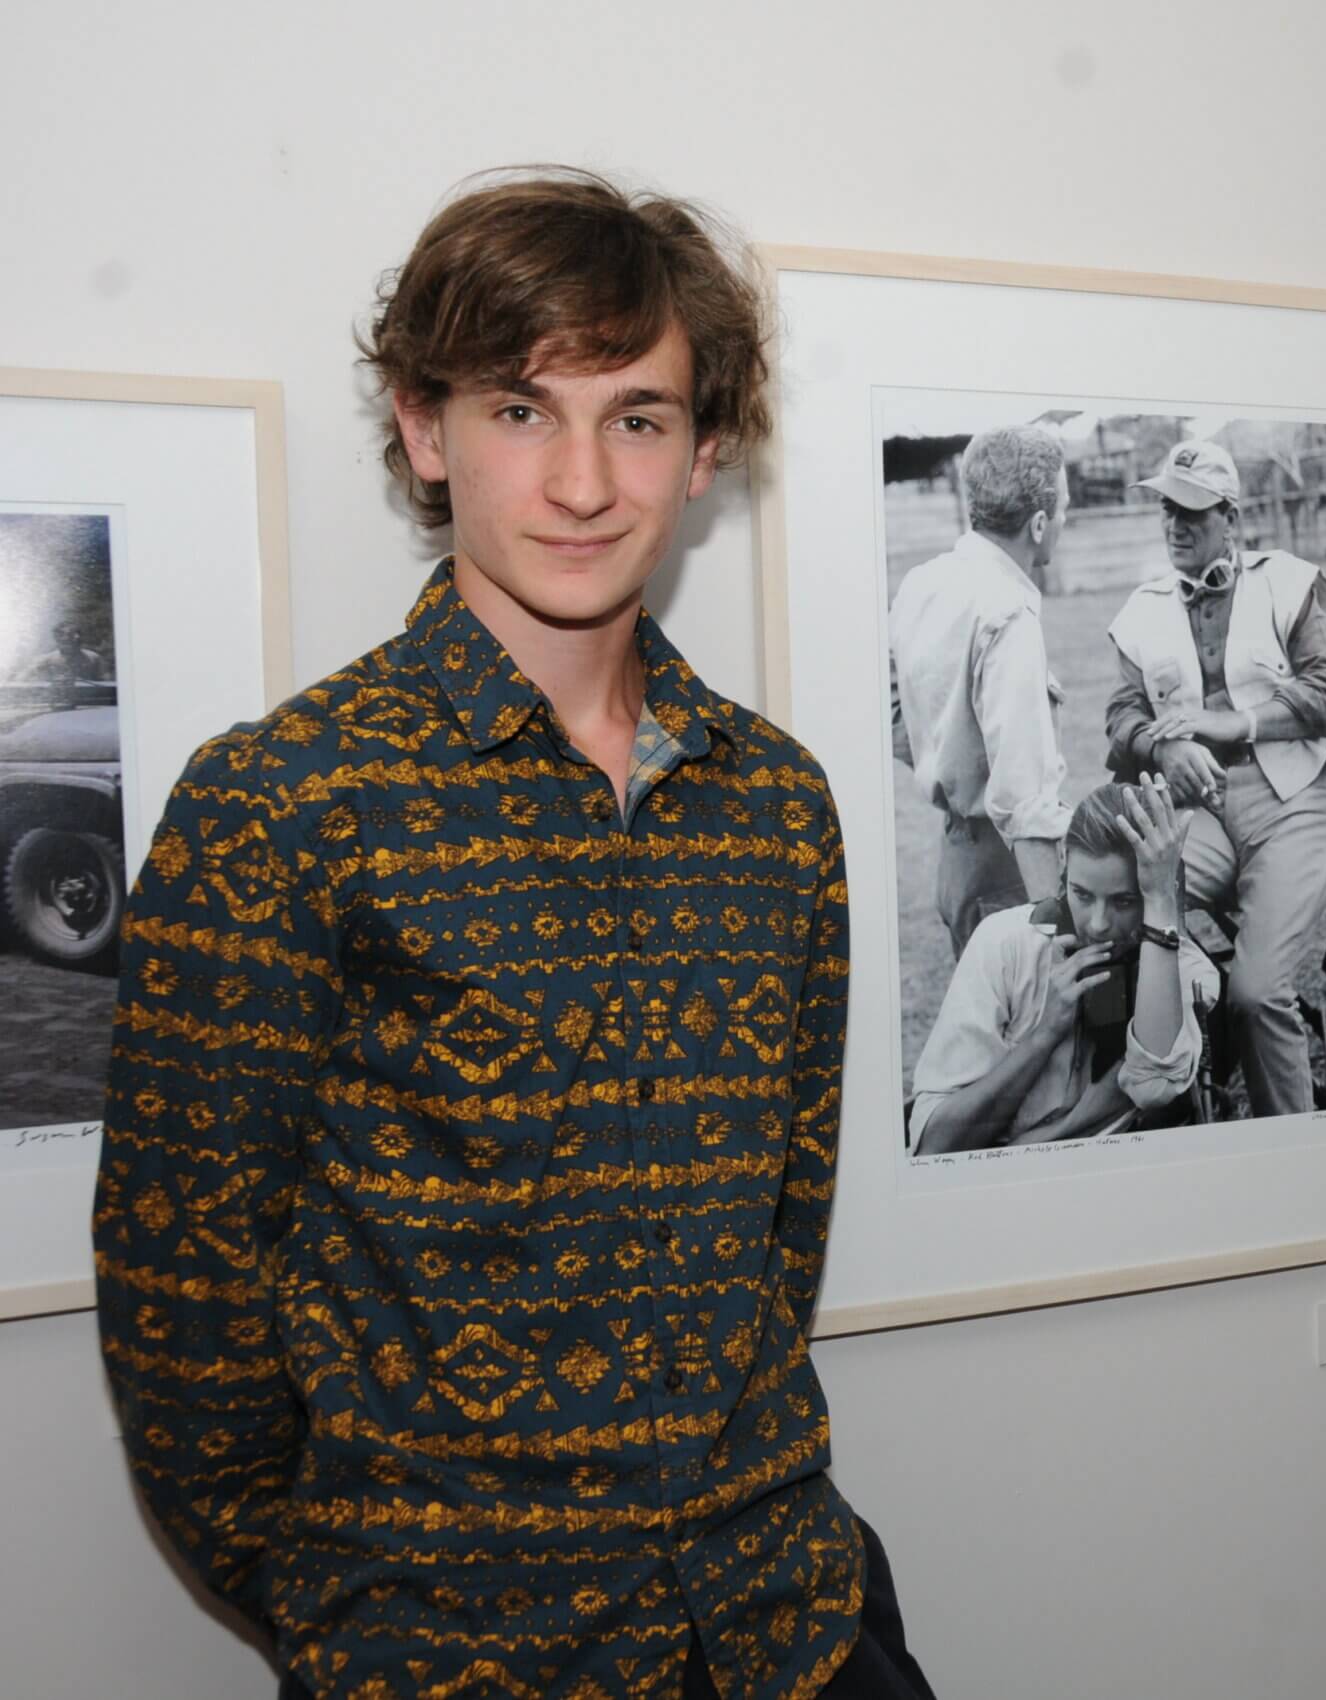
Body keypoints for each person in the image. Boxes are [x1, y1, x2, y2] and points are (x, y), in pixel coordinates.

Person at [92, 169, 935, 1700]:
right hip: (451, 1655)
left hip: (788, 1620)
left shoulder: (776, 803)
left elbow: (780, 1234)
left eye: (638, 416)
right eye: (522, 410)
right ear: (426, 430)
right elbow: (182, 1303)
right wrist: (356, 1600)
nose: (584, 482)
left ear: (705, 449)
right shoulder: (286, 801)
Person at [1103, 438, 1326, 1118]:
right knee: (1124, 918)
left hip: (1297, 801)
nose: (1175, 525)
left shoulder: (1287, 583)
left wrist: (1232, 723)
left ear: (1231, 518)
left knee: (1258, 991)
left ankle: (1294, 1145)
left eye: (1192, 511)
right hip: (1202, 810)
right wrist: (1164, 747)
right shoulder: (1144, 608)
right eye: (1167, 509)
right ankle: (1179, 1100)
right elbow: (1121, 718)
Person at [909, 777, 1219, 1153]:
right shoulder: (1004, 944)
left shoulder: (1184, 970)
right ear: (1063, 867)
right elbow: (934, 1144)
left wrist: (1160, 903)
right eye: (1082, 895)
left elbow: (1153, 1089)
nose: (1098, 924)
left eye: (1124, 901)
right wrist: (1044, 1033)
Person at [887, 424, 1074, 958]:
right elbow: (1024, 799)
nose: (1066, 520)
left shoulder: (922, 583)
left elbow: (895, 712)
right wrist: (1057, 931)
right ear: (1039, 525)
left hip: (957, 858)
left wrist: (950, 763)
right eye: (1063, 508)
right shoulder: (1008, 613)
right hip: (1010, 871)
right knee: (1036, 1003)